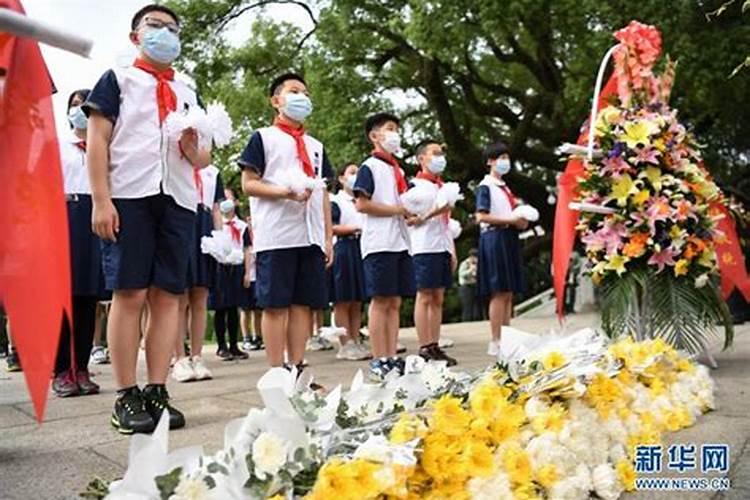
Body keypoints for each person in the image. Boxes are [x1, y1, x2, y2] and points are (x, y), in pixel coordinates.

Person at [84, 4, 211, 434]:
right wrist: (102, 200)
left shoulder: (189, 90)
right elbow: (98, 140)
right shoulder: (118, 79)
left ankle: (157, 388)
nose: (164, 33)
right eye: (154, 26)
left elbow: (205, 154)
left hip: (176, 197)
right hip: (129, 196)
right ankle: (126, 394)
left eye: (172, 28)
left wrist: (196, 150)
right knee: (131, 292)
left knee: (168, 296)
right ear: (136, 35)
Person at [239, 72, 333, 376]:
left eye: (306, 93)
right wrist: (284, 192)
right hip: (277, 233)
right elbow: (248, 183)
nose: (302, 98)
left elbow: (323, 193)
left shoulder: (316, 145)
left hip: (310, 235)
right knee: (276, 305)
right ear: (276, 101)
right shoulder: (263, 138)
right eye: (294, 92)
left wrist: (327, 238)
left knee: (303, 304)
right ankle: (276, 371)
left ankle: (298, 366)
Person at [354, 112, 416, 381]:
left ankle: (392, 356)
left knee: (395, 301)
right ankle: (379, 358)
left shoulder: (397, 169)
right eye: (390, 129)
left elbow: (403, 204)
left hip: (400, 242)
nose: (395, 134)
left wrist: (410, 212)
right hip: (379, 243)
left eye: (397, 129)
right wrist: (396, 209)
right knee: (380, 301)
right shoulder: (370, 166)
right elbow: (362, 203)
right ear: (374, 136)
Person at [52, 89, 104, 397]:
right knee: (64, 297)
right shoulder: (58, 146)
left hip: (95, 217)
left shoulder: (105, 147)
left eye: (86, 105)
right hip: (65, 215)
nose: (80, 110)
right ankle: (61, 369)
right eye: (74, 104)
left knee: (89, 298)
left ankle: (81, 367)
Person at [171, 164, 225, 382]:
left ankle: (197, 355)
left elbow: (216, 209)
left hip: (204, 228)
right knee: (179, 297)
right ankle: (179, 358)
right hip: (180, 220)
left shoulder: (212, 172)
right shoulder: (176, 161)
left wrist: (221, 240)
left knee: (200, 296)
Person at [406, 140, 458, 366]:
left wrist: (452, 249)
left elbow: (446, 222)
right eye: (434, 153)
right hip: (422, 246)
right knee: (425, 295)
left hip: (442, 245)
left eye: (441, 153)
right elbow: (407, 216)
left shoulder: (442, 186)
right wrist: (428, 213)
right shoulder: (413, 186)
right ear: (421, 159)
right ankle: (424, 345)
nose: (440, 158)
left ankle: (435, 344)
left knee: (438, 297)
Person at [474, 142, 528, 356]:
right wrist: (510, 219)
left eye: (507, 157)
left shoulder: (505, 188)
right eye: (500, 158)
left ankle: (507, 337)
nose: (505, 162)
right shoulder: (485, 187)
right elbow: (481, 216)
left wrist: (521, 221)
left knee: (507, 291)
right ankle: (496, 339)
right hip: (494, 237)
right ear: (490, 161)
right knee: (498, 291)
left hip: (509, 236)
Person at [329, 163, 371, 361]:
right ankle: (345, 343)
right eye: (352, 173)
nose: (356, 176)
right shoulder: (336, 201)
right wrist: (353, 228)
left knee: (356, 299)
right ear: (341, 178)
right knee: (342, 299)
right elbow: (331, 227)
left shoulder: (361, 200)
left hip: (360, 247)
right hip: (343, 248)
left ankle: (355, 339)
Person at [208, 199, 251, 361]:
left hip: (237, 266)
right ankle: (221, 345)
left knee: (234, 307)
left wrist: (247, 272)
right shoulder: (217, 225)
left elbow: (247, 249)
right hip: (221, 267)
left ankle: (234, 344)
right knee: (220, 307)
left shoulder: (241, 226)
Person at [457, 248, 481, 321]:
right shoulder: (465, 263)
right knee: (467, 306)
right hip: (466, 286)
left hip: (475, 285)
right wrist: (471, 270)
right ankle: (466, 321)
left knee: (477, 307)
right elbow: (462, 274)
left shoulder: (478, 264)